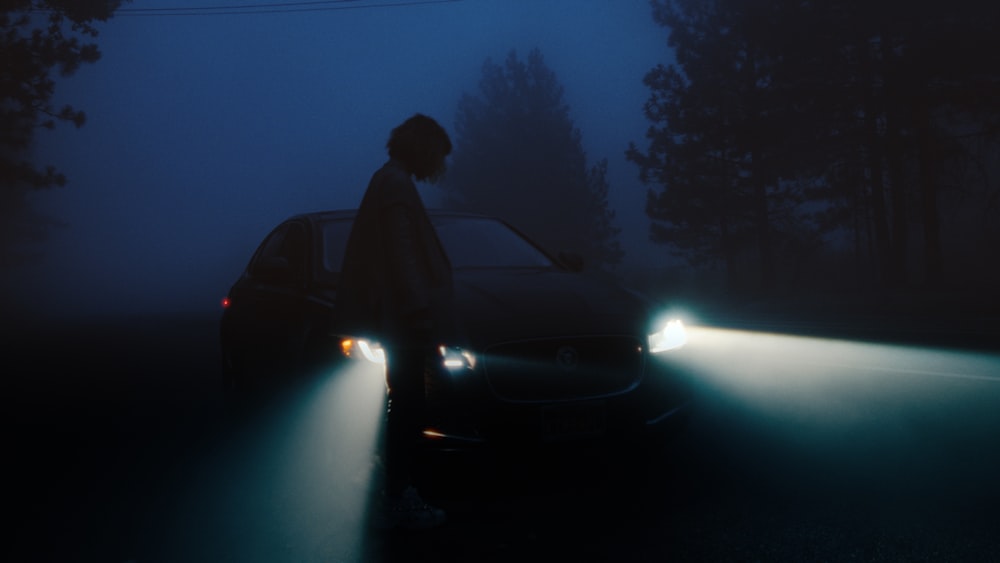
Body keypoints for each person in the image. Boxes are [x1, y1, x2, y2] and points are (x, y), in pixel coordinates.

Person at [336, 113, 455, 530]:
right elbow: (402, 253)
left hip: (402, 317)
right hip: (407, 321)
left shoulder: (388, 180)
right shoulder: (396, 185)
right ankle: (402, 496)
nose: (439, 165)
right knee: (409, 406)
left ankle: (396, 488)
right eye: (438, 154)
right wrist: (420, 308)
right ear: (424, 148)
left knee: (403, 402)